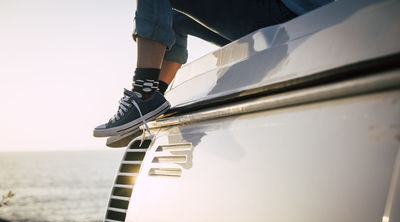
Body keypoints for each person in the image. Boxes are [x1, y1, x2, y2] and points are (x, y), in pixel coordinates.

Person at [93, 0, 332, 139]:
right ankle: (153, 99)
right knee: (175, 17)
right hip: (275, 11)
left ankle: (142, 94)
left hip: (290, 11)